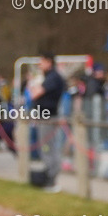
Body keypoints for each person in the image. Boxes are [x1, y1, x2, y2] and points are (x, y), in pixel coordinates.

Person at [30, 52, 65, 192]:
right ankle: (49, 177)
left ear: (49, 62)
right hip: (44, 116)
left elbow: (35, 93)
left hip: (48, 117)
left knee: (48, 148)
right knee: (47, 148)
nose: (40, 65)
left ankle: (51, 179)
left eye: (42, 62)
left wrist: (34, 84)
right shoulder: (49, 76)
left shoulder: (53, 77)